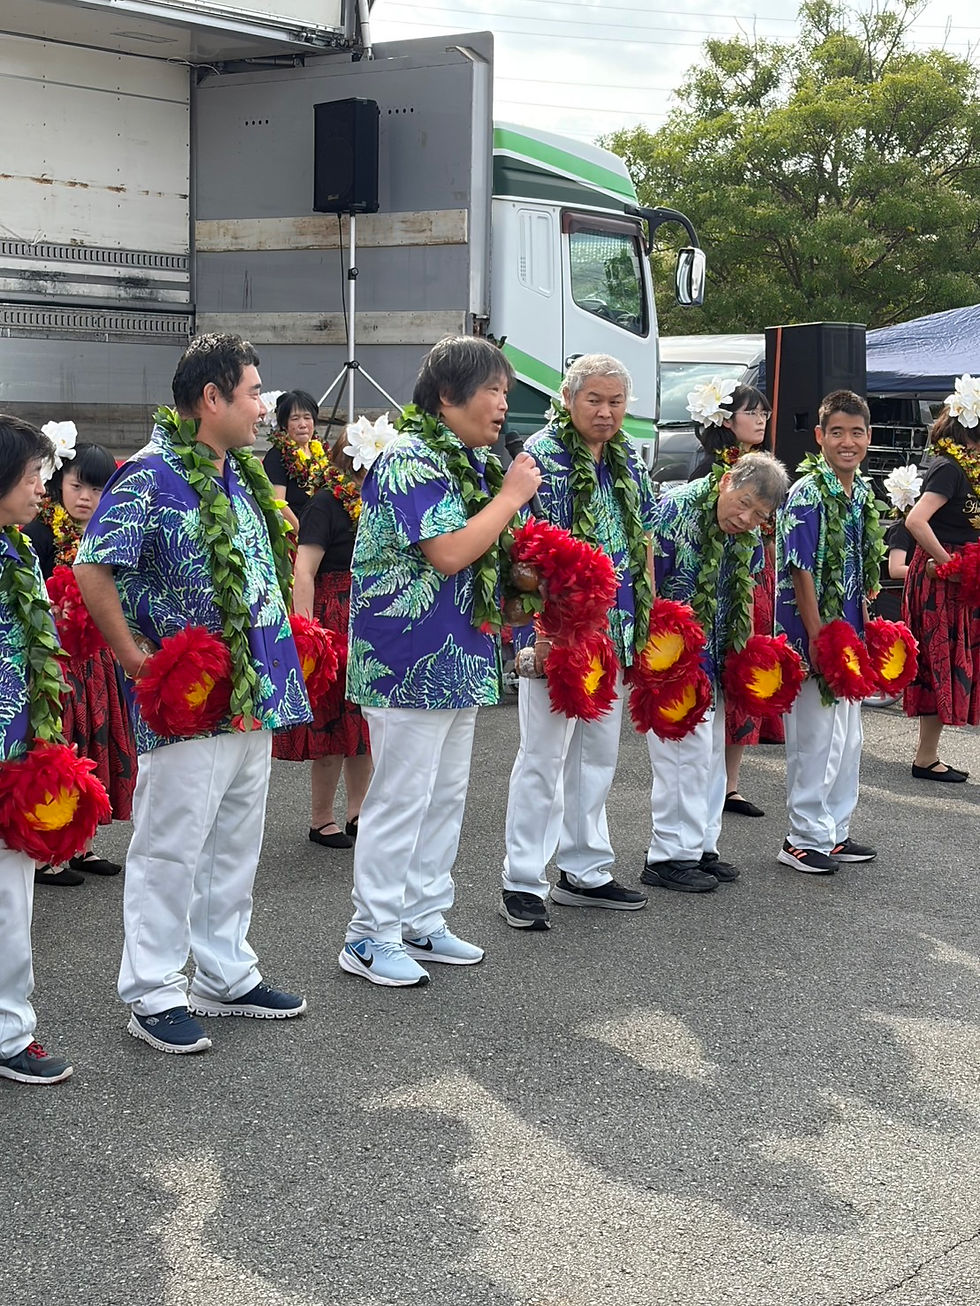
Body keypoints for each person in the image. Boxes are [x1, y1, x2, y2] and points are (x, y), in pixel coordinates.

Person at [74, 333, 312, 1054]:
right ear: (211, 398)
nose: (264, 407)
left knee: (235, 841)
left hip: (250, 694)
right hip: (188, 698)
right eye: (253, 393)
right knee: (170, 848)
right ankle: (152, 990)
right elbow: (92, 566)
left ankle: (224, 972)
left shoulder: (236, 473)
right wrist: (133, 658)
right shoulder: (148, 475)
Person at [340, 335, 542, 987]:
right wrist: (510, 497)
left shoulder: (471, 461)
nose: (503, 405)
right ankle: (369, 934)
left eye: (506, 392)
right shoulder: (409, 458)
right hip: (405, 659)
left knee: (444, 795)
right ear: (448, 395)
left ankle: (421, 918)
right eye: (494, 390)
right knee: (401, 798)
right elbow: (450, 553)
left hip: (459, 656)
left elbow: (485, 555)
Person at [499, 354, 651, 930]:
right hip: (556, 634)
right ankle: (522, 880)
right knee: (543, 758)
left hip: (614, 632)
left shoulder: (629, 458)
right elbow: (519, 558)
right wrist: (535, 635)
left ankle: (585, 870)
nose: (606, 412)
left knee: (597, 758)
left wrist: (643, 625)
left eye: (616, 401)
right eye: (595, 400)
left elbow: (641, 543)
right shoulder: (540, 459)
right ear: (567, 399)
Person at [644, 452, 789, 892]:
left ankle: (701, 846)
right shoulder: (676, 509)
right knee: (680, 759)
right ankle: (668, 855)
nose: (746, 518)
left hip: (720, 654)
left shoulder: (748, 533)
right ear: (726, 481)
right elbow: (647, 580)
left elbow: (746, 588)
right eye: (743, 503)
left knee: (708, 758)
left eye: (758, 515)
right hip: (675, 655)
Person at [775, 390, 883, 875]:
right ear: (819, 436)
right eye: (836, 432)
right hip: (813, 637)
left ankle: (834, 831)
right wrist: (819, 639)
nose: (847, 442)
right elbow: (799, 569)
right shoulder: (808, 493)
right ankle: (801, 838)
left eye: (856, 433)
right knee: (814, 740)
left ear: (869, 437)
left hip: (850, 635)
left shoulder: (860, 493)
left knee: (847, 738)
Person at [23, 442, 137, 887]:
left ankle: (82, 844)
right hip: (56, 660)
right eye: (77, 486)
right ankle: (44, 853)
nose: (86, 497)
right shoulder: (40, 534)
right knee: (58, 747)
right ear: (58, 484)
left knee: (92, 746)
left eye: (97, 488)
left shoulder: (109, 532)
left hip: (97, 659)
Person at [0, 414, 74, 1084]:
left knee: (11, 897)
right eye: (31, 477)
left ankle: (9, 1029)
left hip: (16, 753)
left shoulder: (20, 549)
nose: (41, 491)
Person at [688, 382, 780, 818]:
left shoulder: (765, 472)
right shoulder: (710, 473)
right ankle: (711, 787)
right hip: (716, 592)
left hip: (754, 582)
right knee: (716, 684)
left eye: (764, 413)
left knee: (741, 679)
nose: (760, 420)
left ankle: (731, 783)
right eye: (752, 412)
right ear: (726, 419)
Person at [275, 440, 372, 849]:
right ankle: (321, 818)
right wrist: (307, 632)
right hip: (333, 617)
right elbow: (304, 571)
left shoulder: (377, 500)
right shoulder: (326, 503)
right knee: (331, 726)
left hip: (366, 618)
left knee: (363, 726)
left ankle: (358, 811)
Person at [902, 390, 980, 781]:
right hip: (942, 578)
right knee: (939, 662)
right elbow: (916, 521)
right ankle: (925, 758)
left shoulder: (970, 467)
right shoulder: (949, 468)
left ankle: (927, 756)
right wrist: (951, 566)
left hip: (963, 575)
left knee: (953, 662)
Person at [263, 389, 329, 532]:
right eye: (295, 418)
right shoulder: (277, 456)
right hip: (295, 534)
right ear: (284, 424)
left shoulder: (322, 453)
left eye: (307, 417)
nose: (302, 424)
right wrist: (304, 535)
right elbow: (278, 503)